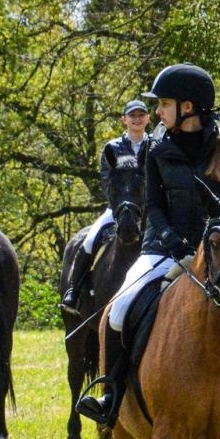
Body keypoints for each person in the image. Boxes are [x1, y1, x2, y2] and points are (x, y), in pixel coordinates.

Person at [75, 64, 220, 436]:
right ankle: (112, 397)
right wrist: (170, 239)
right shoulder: (155, 146)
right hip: (164, 249)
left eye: (164, 104)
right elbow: (152, 205)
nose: (157, 113)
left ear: (189, 107)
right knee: (118, 310)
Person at [60, 98, 153, 315]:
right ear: (124, 120)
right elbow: (106, 180)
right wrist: (120, 208)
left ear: (148, 118)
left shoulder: (155, 146)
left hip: (148, 210)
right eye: (132, 116)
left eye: (141, 115)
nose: (137, 119)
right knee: (90, 239)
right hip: (119, 209)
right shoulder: (112, 147)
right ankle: (74, 290)